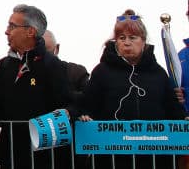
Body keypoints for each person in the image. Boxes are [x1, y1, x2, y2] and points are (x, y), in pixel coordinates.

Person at [75, 10, 187, 168]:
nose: (126, 43)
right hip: (112, 158)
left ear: (143, 41)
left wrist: (183, 120)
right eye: (122, 38)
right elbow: (88, 105)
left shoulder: (158, 73)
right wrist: (85, 116)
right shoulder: (101, 71)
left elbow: (172, 109)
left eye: (132, 38)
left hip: (155, 159)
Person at [0, 4, 70, 169]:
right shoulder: (4, 65)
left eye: (12, 26)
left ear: (30, 31)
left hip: (43, 157)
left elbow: (66, 105)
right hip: (10, 154)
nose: (7, 31)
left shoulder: (52, 65)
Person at [42, 29, 90, 104]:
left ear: (57, 49)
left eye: (47, 51)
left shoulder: (75, 73)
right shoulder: (25, 73)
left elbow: (89, 101)